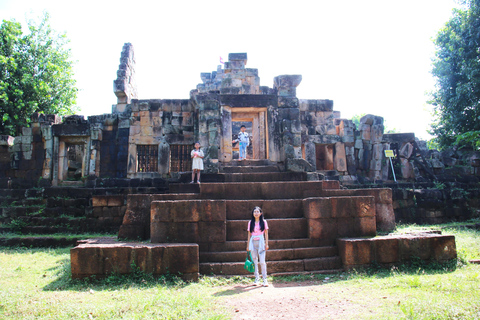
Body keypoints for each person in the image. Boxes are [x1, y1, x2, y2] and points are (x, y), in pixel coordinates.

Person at [246, 206, 269, 286]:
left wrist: (267, 243)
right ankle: (256, 278)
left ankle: (264, 279)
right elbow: (249, 235)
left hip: (261, 242)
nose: (256, 213)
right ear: (253, 213)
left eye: (257, 212)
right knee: (255, 261)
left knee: (262, 261)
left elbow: (266, 233)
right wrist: (248, 245)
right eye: (254, 212)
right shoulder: (250, 223)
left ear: (260, 213)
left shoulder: (264, 222)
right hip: (253, 242)